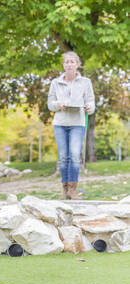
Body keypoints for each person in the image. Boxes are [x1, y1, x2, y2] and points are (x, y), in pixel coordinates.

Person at [48, 51, 95, 200]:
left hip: (77, 123)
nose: (69, 64)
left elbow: (91, 101)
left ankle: (73, 190)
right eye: (66, 62)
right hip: (60, 123)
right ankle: (65, 189)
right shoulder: (55, 82)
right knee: (63, 157)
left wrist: (89, 107)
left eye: (72, 62)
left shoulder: (85, 82)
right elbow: (50, 104)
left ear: (77, 65)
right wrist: (58, 105)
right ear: (63, 65)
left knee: (74, 156)